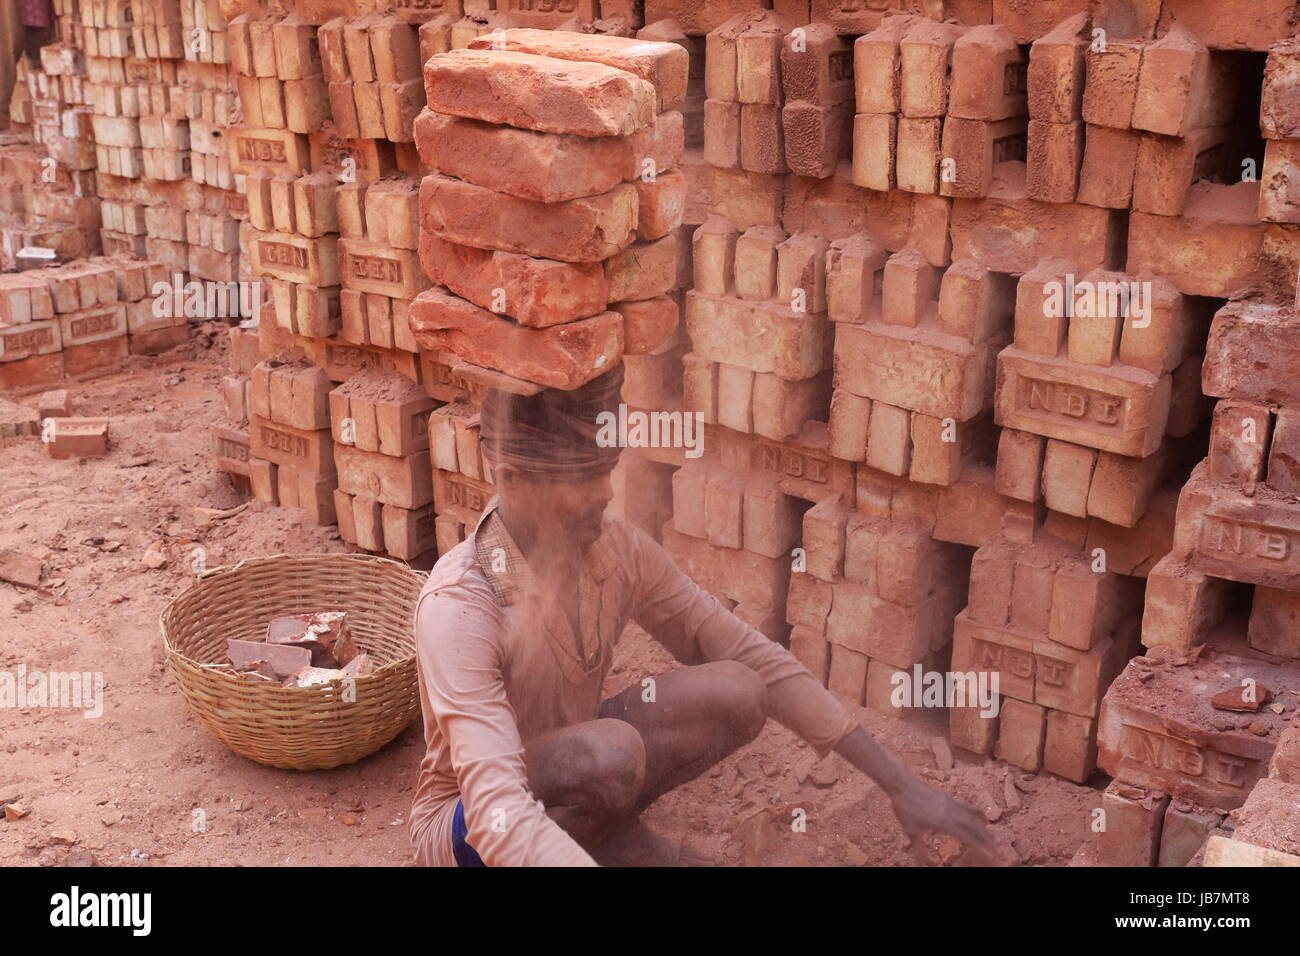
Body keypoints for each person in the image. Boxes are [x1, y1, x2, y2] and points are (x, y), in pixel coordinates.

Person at [408, 365, 996, 866]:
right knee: (607, 754)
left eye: (606, 471)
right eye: (581, 478)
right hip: (469, 826)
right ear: (512, 480)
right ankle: (610, 844)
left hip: (572, 777)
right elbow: (494, 808)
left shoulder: (613, 549)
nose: (606, 494)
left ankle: (607, 836)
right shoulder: (461, 606)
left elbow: (750, 654)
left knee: (737, 688)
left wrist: (900, 784)